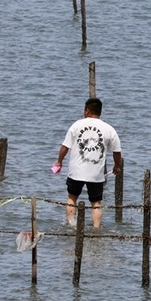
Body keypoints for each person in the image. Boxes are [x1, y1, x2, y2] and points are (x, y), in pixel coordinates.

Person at [54, 97, 123, 229]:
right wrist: (117, 166)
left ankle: (71, 225)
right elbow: (117, 152)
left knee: (72, 197)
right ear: (100, 112)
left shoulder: (76, 125)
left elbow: (65, 147)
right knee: (96, 203)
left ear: (87, 111)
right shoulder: (109, 129)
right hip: (96, 173)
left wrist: (59, 161)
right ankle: (96, 229)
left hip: (76, 171)